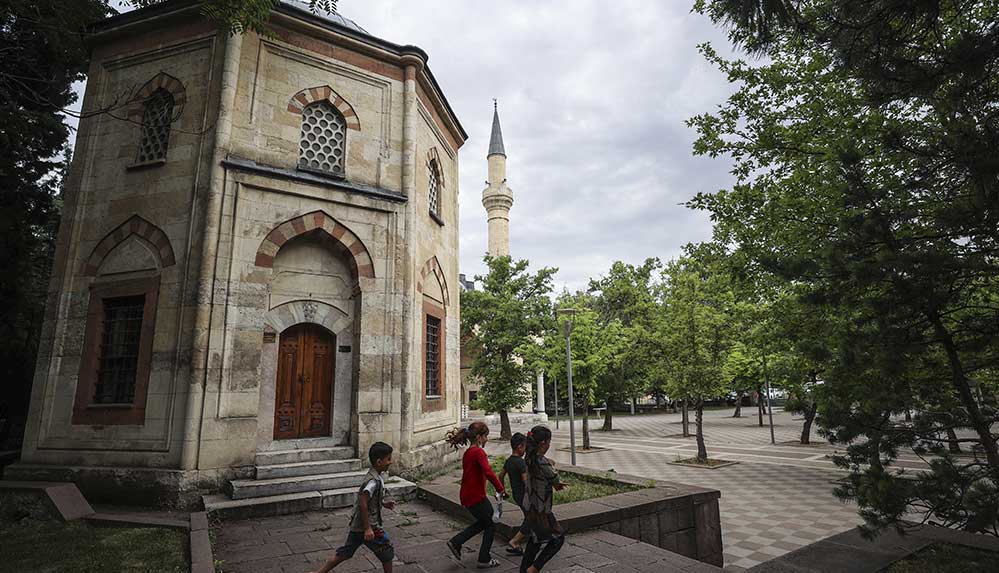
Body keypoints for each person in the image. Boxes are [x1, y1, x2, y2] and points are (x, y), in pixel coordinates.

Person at [311, 442, 397, 573]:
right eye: (388, 459)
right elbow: (363, 503)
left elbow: (370, 501)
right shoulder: (373, 481)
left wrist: (383, 504)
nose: (390, 462)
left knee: (345, 552)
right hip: (369, 526)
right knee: (386, 550)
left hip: (357, 526)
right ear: (379, 461)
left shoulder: (376, 476)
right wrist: (368, 528)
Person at [444, 421, 507, 569]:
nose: (486, 440)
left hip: (467, 495)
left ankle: (456, 542)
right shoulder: (478, 452)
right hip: (476, 496)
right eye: (486, 437)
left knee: (484, 522)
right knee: (490, 524)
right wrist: (500, 489)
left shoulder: (468, 452)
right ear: (479, 437)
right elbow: (488, 472)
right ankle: (484, 559)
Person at [520, 426, 567, 573]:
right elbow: (554, 477)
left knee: (535, 540)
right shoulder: (542, 461)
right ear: (542, 443)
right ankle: (534, 569)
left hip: (530, 505)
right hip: (541, 508)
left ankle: (524, 570)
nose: (549, 445)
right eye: (548, 442)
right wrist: (553, 471)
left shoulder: (529, 457)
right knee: (558, 538)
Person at [498, 432, 529, 555]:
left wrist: (503, 490)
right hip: (525, 496)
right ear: (520, 446)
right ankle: (515, 542)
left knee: (530, 517)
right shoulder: (521, 463)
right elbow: (526, 482)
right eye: (525, 447)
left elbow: (500, 475)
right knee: (531, 519)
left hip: (517, 495)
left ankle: (538, 537)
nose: (526, 450)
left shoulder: (509, 461)